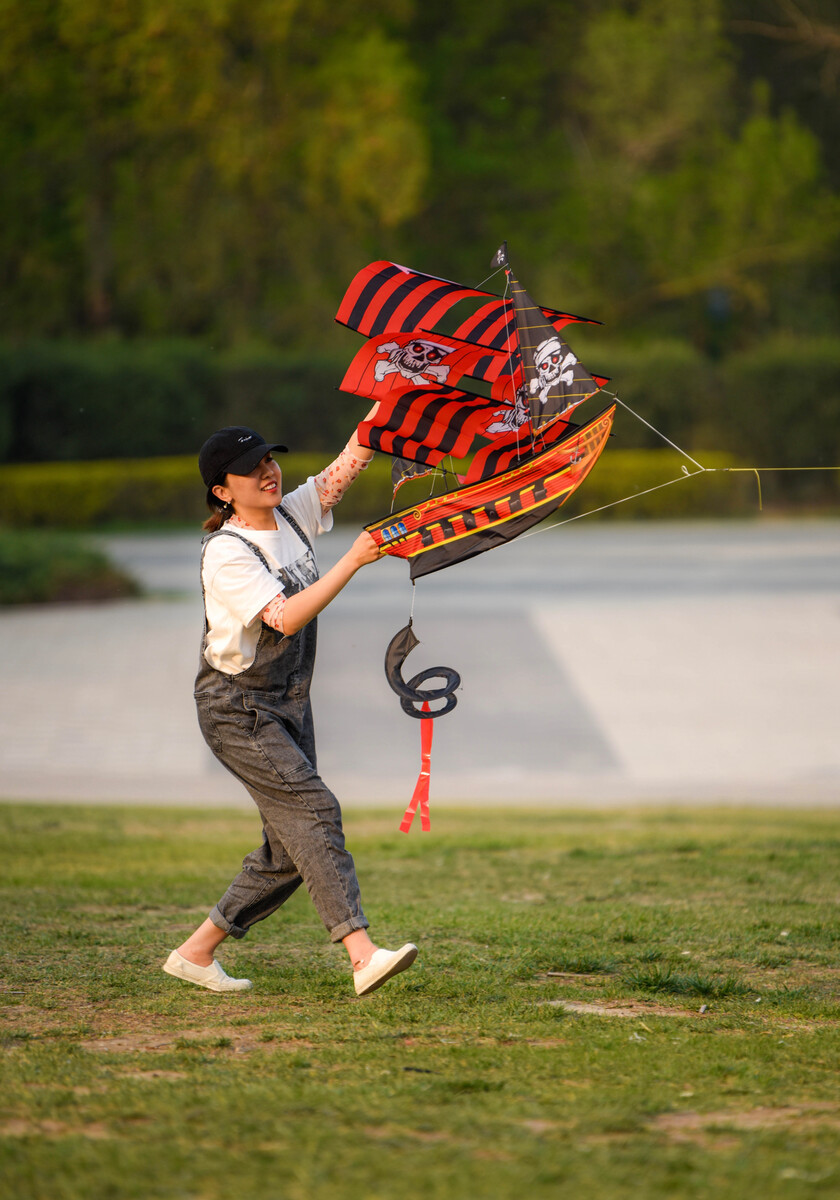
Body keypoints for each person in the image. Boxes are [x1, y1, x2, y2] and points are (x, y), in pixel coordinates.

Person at [162, 418, 417, 997]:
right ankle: (361, 955)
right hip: (237, 709)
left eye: (269, 461)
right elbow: (284, 617)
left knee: (287, 849)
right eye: (250, 470)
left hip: (286, 703)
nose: (267, 472)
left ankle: (195, 953)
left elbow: (344, 468)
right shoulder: (226, 553)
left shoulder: (291, 516)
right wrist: (352, 559)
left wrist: (386, 407)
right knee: (315, 813)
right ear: (222, 491)